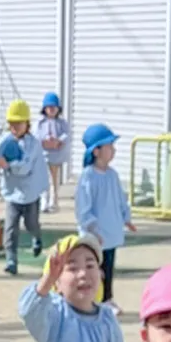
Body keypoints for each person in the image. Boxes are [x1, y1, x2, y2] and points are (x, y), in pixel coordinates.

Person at [73, 123, 133, 304]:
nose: (113, 150)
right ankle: (92, 299)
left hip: (110, 233)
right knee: (93, 269)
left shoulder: (112, 175)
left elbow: (121, 200)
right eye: (109, 146)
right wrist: (92, 228)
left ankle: (107, 298)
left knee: (108, 267)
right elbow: (83, 207)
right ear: (96, 151)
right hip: (95, 235)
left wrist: (126, 217)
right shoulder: (88, 177)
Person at [0, 99, 48, 275]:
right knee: (10, 228)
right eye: (12, 123)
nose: (15, 127)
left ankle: (36, 237)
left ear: (27, 124)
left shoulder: (33, 144)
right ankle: (11, 260)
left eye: (19, 123)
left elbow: (24, 168)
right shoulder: (6, 139)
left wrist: (7, 164)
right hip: (12, 194)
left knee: (31, 223)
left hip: (30, 193)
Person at [38, 91, 70, 213]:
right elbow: (36, 136)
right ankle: (44, 201)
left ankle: (54, 200)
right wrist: (45, 140)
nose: (51, 110)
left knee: (54, 178)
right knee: (43, 178)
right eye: (49, 107)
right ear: (44, 109)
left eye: (54, 107)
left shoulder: (62, 123)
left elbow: (66, 135)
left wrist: (58, 141)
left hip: (56, 155)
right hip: (44, 155)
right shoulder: (40, 123)